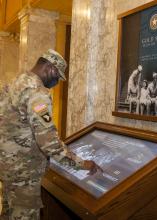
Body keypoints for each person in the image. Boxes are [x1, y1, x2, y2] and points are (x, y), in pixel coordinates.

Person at [0, 49, 102, 220]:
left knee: (9, 212)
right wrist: (82, 164)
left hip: (7, 167)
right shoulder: (37, 93)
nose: (56, 83)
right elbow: (49, 143)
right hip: (24, 174)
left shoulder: (14, 83)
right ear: (51, 69)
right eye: (58, 78)